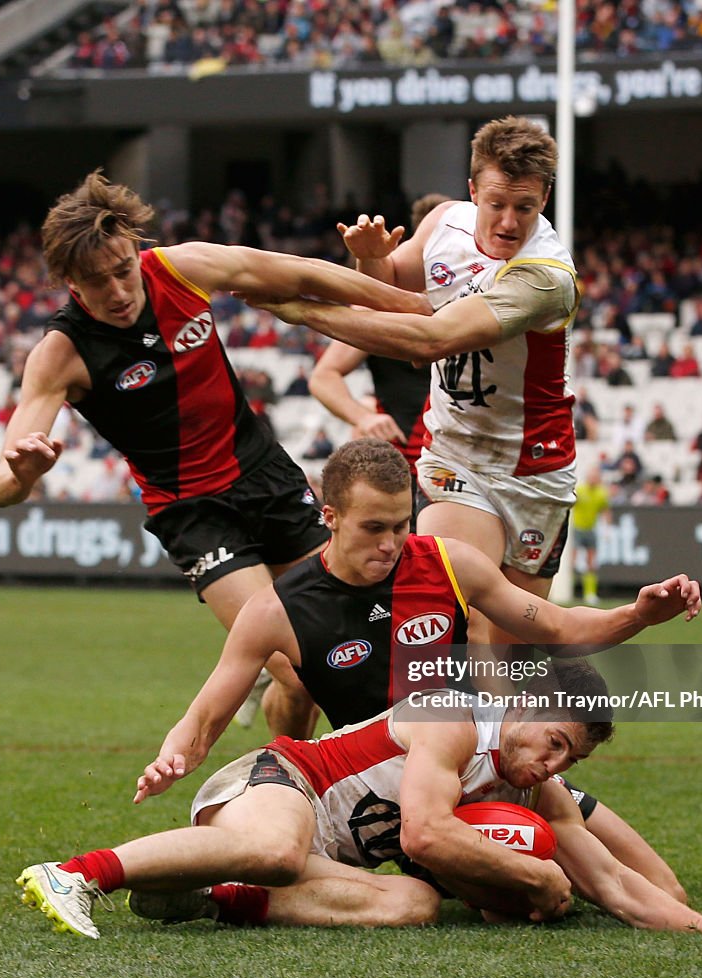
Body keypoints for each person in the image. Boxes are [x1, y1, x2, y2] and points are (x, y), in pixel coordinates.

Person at [134, 441, 700, 899]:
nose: (391, 543)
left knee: (663, 888)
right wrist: (173, 758)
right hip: (397, 790)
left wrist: (639, 614)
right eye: (373, 527)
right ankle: (220, 883)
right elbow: (205, 716)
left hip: (479, 763)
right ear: (329, 517)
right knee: (523, 896)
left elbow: (555, 627)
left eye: (400, 524)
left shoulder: (448, 564)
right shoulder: (276, 610)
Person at [0, 170, 429, 737]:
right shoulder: (61, 353)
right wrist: (22, 473)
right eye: (97, 283)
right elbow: (2, 487)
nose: (119, 292)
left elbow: (305, 273)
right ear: (69, 280)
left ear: (135, 250)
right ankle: (298, 786)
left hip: (266, 473)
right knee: (295, 665)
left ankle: (309, 775)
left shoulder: (181, 268)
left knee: (352, 637)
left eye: (124, 270)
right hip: (191, 510)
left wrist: (414, 305)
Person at [16, 664, 702, 941]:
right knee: (286, 852)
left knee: (414, 905)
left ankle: (206, 898)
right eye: (552, 740)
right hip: (279, 784)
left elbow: (613, 886)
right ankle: (77, 873)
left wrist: (697, 923)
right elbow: (422, 832)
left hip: (325, 850)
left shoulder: (534, 781)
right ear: (524, 705)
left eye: (569, 758)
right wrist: (531, 882)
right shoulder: (455, 719)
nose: (551, 764)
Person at [249, 118, 581, 626]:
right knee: (443, 611)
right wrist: (370, 259)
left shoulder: (546, 277)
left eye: (525, 207)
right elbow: (387, 289)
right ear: (472, 191)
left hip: (534, 471)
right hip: (456, 455)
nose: (509, 222)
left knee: (504, 656)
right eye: (496, 204)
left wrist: (304, 310)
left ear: (545, 198)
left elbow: (433, 337)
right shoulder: (444, 222)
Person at [307, 193, 450, 487]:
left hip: (460, 455)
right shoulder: (381, 307)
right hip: (405, 460)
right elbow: (323, 376)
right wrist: (362, 416)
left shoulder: (474, 296)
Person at [572, 465, 611, 605]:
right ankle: (569, 590)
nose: (594, 479)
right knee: (573, 561)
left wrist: (607, 529)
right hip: (577, 529)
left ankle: (590, 594)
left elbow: (605, 510)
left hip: (590, 530)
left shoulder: (602, 493)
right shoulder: (580, 490)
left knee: (591, 563)